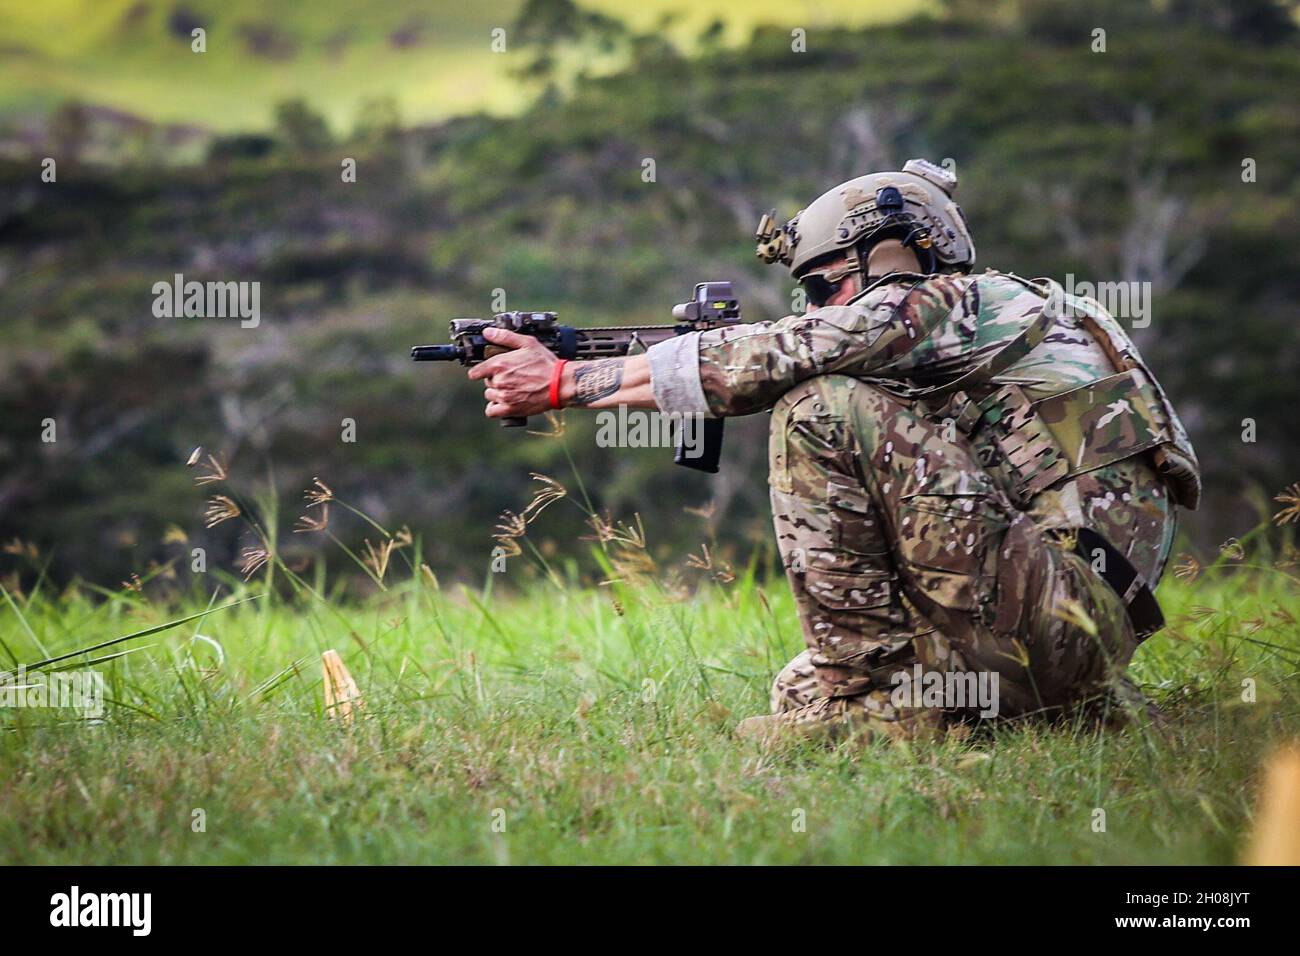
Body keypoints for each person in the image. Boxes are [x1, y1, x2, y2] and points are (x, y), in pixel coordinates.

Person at [466, 159, 1200, 743]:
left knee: (818, 408)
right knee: (796, 688)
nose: (817, 304)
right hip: (1071, 628)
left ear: (895, 254)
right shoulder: (1023, 320)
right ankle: (1059, 712)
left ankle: (871, 708)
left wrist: (565, 380)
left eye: (825, 284)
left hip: (1059, 617)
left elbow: (786, 356)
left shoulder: (958, 302)